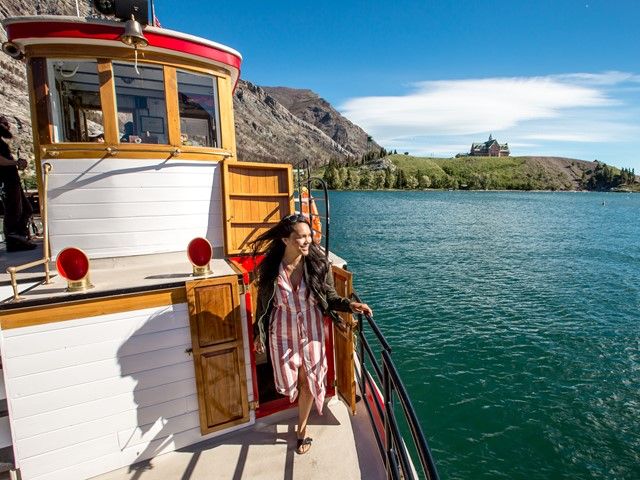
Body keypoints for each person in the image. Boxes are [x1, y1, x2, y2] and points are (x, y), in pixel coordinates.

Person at [251, 213, 372, 454]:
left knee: (309, 379)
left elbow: (329, 297)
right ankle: (295, 400)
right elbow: (262, 306)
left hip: (311, 326)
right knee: (288, 381)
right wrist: (259, 334)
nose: (307, 241)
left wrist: (351, 305)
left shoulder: (318, 264)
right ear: (285, 240)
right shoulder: (271, 269)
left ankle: (301, 430)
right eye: (301, 237)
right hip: (282, 328)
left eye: (309, 236)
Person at [0, 115, 36, 252]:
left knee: (26, 208)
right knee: (13, 209)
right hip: (5, 181)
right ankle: (14, 240)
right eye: (4, 124)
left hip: (11, 179)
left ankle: (19, 237)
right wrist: (15, 163)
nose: (7, 126)